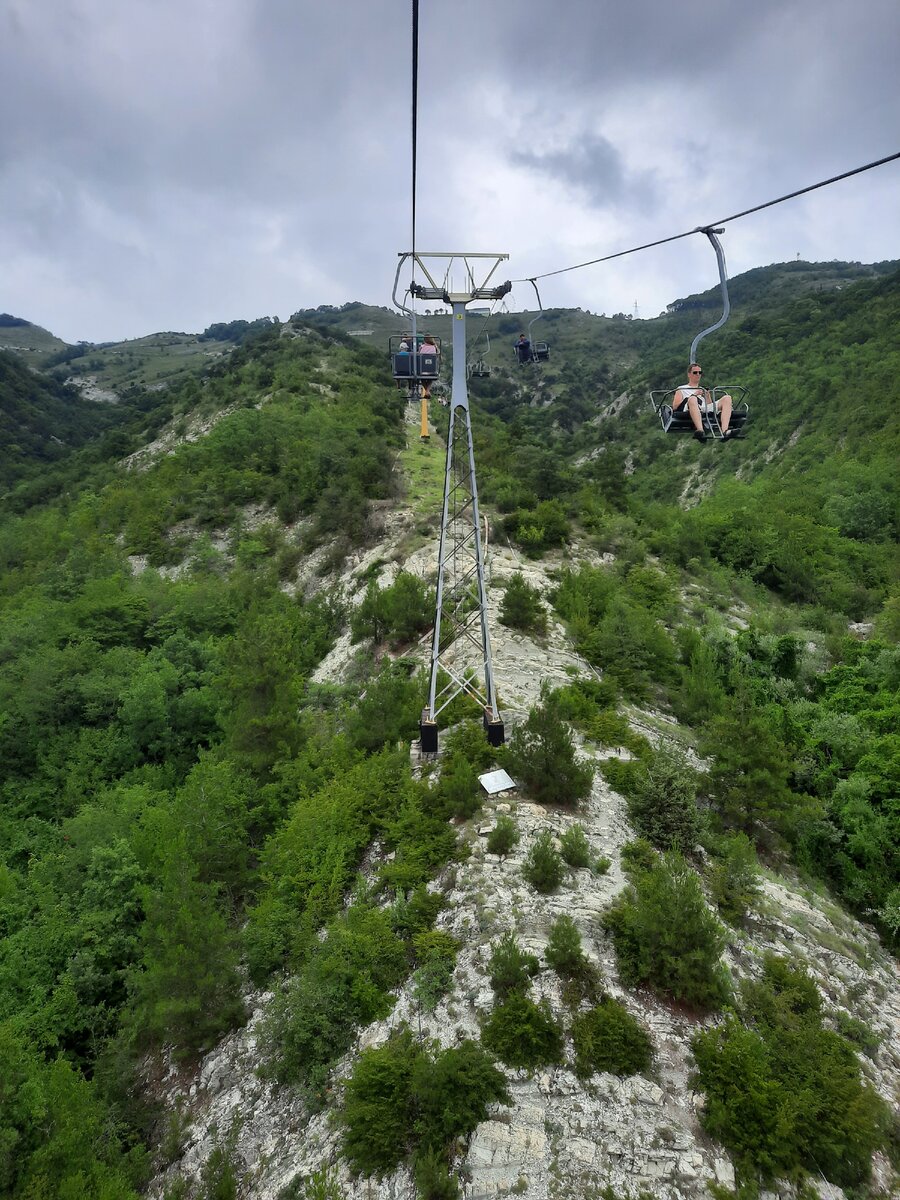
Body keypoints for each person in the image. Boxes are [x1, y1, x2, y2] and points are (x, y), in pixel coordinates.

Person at [673, 364, 734, 442]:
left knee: (727, 398)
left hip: (702, 408)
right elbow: (675, 406)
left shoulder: (702, 389)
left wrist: (707, 396)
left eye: (700, 372)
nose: (698, 374)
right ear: (689, 374)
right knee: (693, 399)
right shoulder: (682, 389)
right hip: (689, 406)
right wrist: (694, 395)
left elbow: (709, 406)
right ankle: (700, 430)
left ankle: (725, 431)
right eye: (695, 372)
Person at [419, 334, 439, 399]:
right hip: (431, 369)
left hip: (422, 370)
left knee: (422, 379)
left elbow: (418, 355)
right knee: (431, 378)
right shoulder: (434, 347)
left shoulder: (421, 347)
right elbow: (438, 354)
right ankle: (427, 391)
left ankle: (427, 391)